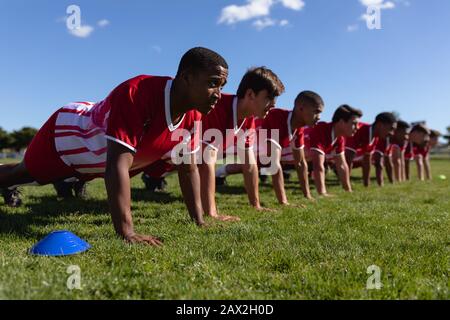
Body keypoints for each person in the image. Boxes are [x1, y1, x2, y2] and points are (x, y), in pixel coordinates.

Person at [0, 47, 229, 246]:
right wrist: (127, 232)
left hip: (95, 162)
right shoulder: (137, 92)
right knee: (22, 174)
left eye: (222, 86)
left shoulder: (193, 116)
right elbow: (117, 165)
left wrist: (199, 221)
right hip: (67, 135)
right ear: (187, 77)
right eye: (212, 83)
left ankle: (68, 181)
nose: (219, 94)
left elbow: (188, 169)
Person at [142, 67, 286, 219]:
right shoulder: (218, 107)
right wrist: (211, 213)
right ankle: (151, 177)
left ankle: (153, 178)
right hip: (159, 157)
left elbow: (249, 165)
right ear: (250, 94)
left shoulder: (248, 118)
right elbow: (206, 161)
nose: (273, 104)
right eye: (269, 97)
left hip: (180, 162)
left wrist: (256, 205)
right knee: (148, 174)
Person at [305, 105, 362, 196]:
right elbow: (318, 166)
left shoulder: (339, 137)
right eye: (354, 123)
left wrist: (348, 190)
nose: (357, 127)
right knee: (273, 168)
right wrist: (323, 193)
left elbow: (342, 165)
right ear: (341, 121)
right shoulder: (321, 129)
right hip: (277, 146)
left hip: (287, 157)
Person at [345, 112, 397, 187]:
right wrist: (347, 187)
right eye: (391, 129)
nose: (392, 133)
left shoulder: (375, 138)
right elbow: (348, 159)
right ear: (380, 125)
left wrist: (366, 185)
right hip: (328, 152)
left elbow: (367, 161)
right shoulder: (359, 129)